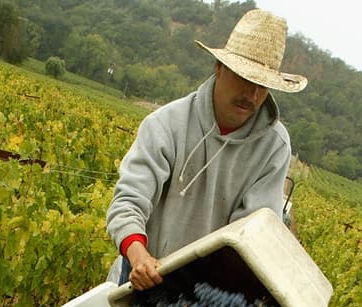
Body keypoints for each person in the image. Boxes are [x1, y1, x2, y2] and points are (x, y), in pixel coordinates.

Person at [104, 9, 307, 292]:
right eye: (244, 79)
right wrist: (139, 256)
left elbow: (251, 235)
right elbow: (128, 203)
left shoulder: (274, 147)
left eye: (262, 86)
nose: (253, 95)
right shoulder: (167, 124)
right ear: (219, 67)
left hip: (208, 292)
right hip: (144, 274)